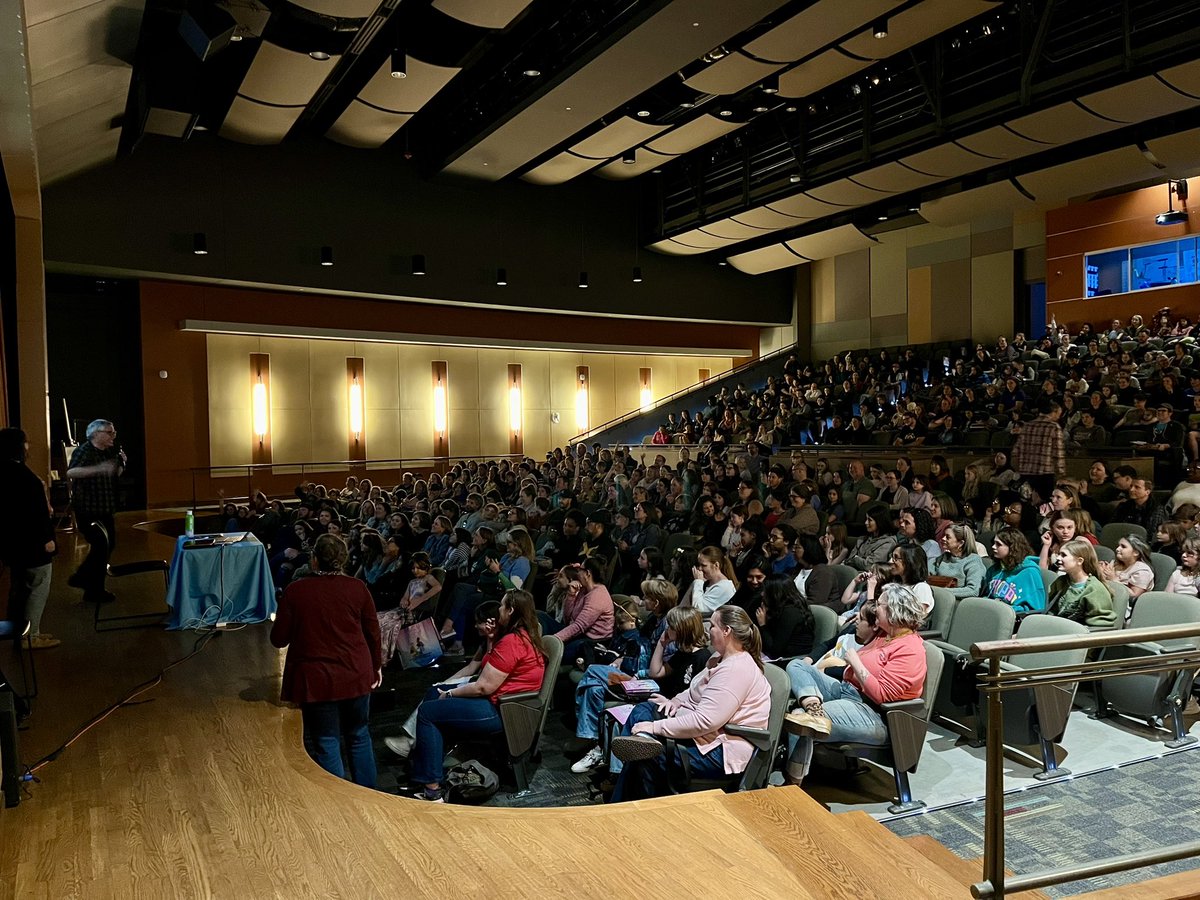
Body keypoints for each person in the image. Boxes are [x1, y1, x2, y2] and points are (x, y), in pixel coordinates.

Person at [607, 605, 772, 801]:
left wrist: (655, 727)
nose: (707, 631)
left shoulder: (736, 669)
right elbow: (694, 690)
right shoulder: (717, 659)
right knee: (646, 708)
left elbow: (705, 721)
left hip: (720, 749)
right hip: (703, 735)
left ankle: (623, 802)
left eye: (712, 626)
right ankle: (641, 746)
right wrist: (675, 701)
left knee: (646, 756)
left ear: (726, 631)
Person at [407, 589, 547, 802]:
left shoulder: (513, 641)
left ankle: (432, 789)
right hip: (505, 706)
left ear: (510, 610)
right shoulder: (525, 636)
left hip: (502, 711)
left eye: (502, 606)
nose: (498, 609)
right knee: (433, 698)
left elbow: (484, 687)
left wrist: (451, 693)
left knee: (427, 713)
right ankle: (426, 766)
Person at [781, 583, 927, 788]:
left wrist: (856, 663)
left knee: (802, 719)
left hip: (875, 713)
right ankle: (813, 705)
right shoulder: (885, 634)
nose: (876, 608)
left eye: (880, 605)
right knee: (797, 665)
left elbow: (883, 695)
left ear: (894, 610)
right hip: (848, 690)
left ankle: (792, 784)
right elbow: (849, 631)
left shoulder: (911, 649)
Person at [270, 534, 382, 787]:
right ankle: (371, 794)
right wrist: (376, 666)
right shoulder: (357, 588)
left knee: (327, 739)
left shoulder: (296, 591)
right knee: (359, 735)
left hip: (317, 679)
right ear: (342, 559)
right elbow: (373, 633)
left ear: (315, 560)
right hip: (356, 673)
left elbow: (278, 640)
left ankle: (339, 800)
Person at [571, 600, 710, 775]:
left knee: (592, 672)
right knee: (593, 687)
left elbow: (692, 697)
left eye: (671, 626)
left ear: (682, 628)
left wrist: (670, 700)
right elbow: (656, 672)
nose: (667, 629)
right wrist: (662, 643)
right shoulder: (682, 652)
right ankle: (604, 759)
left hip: (664, 700)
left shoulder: (702, 657)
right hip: (653, 689)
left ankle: (603, 756)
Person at [0, 429, 58, 648]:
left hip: (11, 544)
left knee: (18, 590)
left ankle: (18, 632)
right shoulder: (22, 475)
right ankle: (30, 636)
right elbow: (33, 512)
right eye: (26, 443)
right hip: (33, 544)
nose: (28, 447)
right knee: (37, 587)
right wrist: (47, 538)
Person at [66, 418, 126, 603]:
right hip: (88, 509)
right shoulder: (84, 450)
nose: (113, 436)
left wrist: (122, 464)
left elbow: (114, 473)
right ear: (96, 434)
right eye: (109, 432)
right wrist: (97, 469)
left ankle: (91, 588)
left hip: (106, 508)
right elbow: (71, 472)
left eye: (114, 432)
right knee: (101, 545)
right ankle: (84, 580)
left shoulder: (110, 452)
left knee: (108, 546)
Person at [1045, 541, 1117, 628]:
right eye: (1059, 554)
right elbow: (1051, 610)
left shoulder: (1094, 589)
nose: (1058, 558)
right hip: (1057, 629)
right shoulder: (1061, 582)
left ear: (1079, 561)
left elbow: (1101, 624)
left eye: (1064, 555)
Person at [1011, 398, 1065, 505]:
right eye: (1058, 414)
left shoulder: (1027, 426)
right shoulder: (1054, 427)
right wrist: (1061, 474)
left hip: (1026, 473)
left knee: (1026, 503)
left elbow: (1016, 452)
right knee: (1045, 506)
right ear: (1053, 412)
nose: (1058, 417)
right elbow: (1057, 454)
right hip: (1045, 474)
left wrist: (1019, 469)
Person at [756, 573, 816, 660]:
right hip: (780, 655)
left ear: (776, 594)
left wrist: (763, 625)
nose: (762, 594)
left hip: (791, 659)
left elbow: (774, 651)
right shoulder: (780, 608)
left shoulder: (790, 613)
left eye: (766, 591)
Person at [985, 528, 1046, 612]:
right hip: (992, 614)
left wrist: (1006, 609)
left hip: (1014, 618)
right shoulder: (994, 569)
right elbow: (986, 595)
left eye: (998, 544)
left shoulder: (1030, 573)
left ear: (1012, 547)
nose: (993, 547)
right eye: (993, 543)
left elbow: (1036, 608)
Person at [930, 524, 986, 600]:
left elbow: (973, 590)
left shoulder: (973, 561)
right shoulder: (943, 558)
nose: (943, 538)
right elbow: (926, 575)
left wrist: (942, 591)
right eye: (943, 535)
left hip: (959, 603)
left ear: (960, 543)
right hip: (939, 599)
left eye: (948, 537)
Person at [1099, 535, 1154, 606]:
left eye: (1123, 546)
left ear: (1136, 552)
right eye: (1118, 546)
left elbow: (1134, 597)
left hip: (1126, 608)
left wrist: (1114, 580)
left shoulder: (1142, 571)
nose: (1117, 549)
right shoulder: (1116, 563)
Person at [683, 545, 738, 615]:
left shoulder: (724, 587)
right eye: (698, 565)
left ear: (716, 565)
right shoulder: (705, 582)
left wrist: (698, 582)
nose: (699, 569)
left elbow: (698, 608)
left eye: (703, 565)